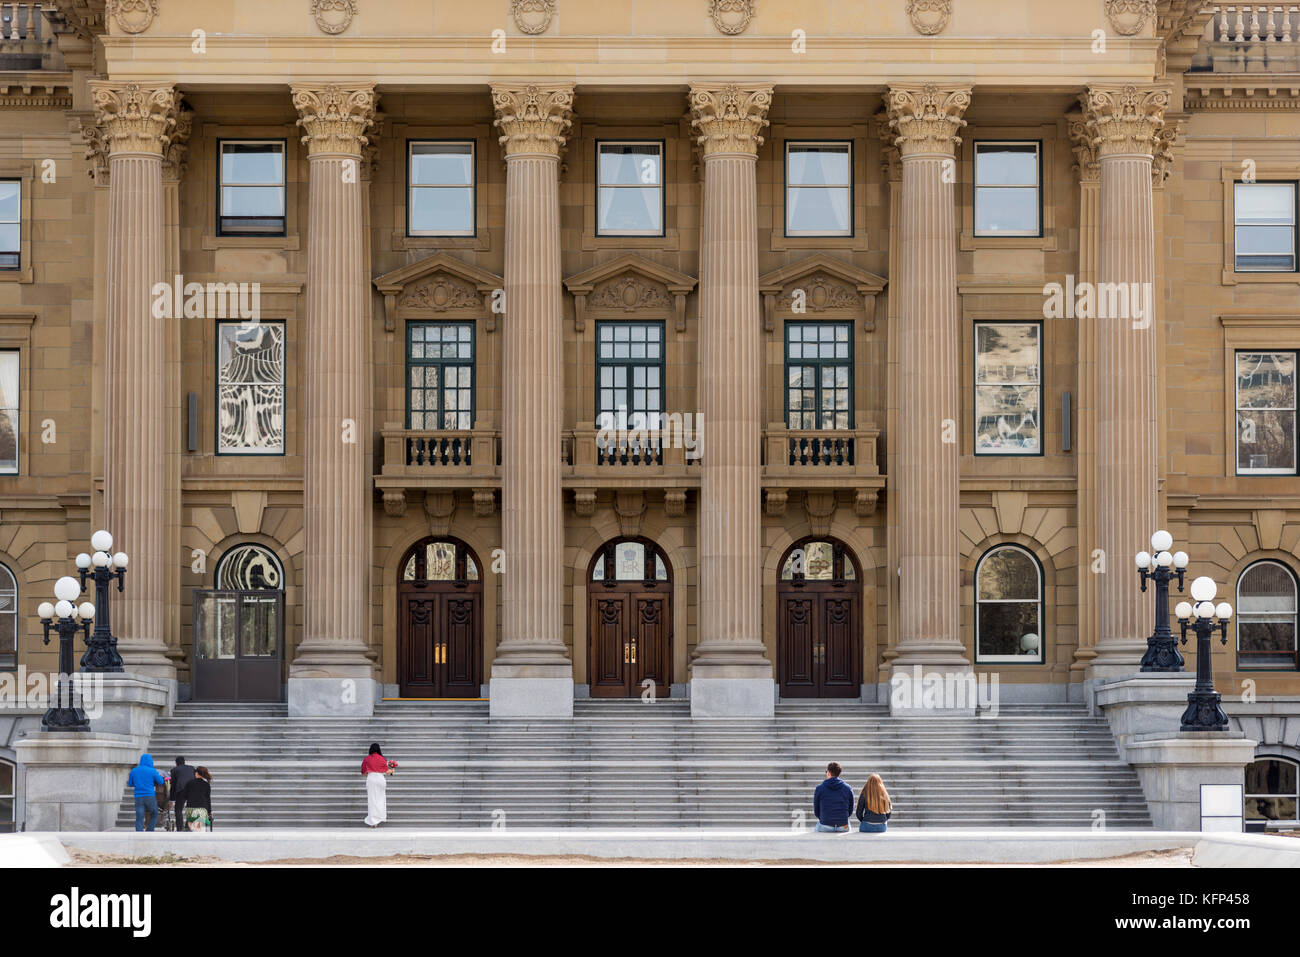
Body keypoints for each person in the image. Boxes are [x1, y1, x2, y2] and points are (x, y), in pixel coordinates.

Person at [126, 754, 166, 832]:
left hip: (138, 797)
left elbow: (130, 784)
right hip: (149, 796)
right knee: (154, 813)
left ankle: (139, 833)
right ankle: (149, 830)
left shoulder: (134, 771)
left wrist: (138, 783)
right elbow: (161, 781)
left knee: (139, 817)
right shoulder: (152, 771)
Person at [812, 761, 854, 833]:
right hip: (843, 825)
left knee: (816, 828)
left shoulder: (819, 788)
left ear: (828, 772)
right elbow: (850, 810)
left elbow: (816, 810)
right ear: (839, 773)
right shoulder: (848, 788)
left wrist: (824, 819)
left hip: (825, 824)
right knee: (848, 825)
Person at [361, 743, 395, 828]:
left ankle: (373, 821)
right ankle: (379, 817)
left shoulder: (367, 759)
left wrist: (370, 772)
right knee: (380, 799)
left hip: (371, 778)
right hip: (380, 779)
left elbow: (363, 772)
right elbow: (386, 771)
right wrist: (393, 770)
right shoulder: (382, 758)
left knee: (372, 800)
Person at [176, 766, 213, 832]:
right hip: (202, 809)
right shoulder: (206, 785)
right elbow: (208, 800)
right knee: (198, 829)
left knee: (192, 829)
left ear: (197, 773)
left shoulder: (190, 783)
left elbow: (184, 796)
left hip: (191, 809)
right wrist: (210, 812)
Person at [169, 757, 196, 834]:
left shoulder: (174, 770)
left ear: (176, 763)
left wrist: (172, 799)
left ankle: (180, 827)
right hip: (192, 789)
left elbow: (173, 786)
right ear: (184, 762)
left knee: (178, 809)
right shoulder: (192, 768)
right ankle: (188, 826)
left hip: (181, 790)